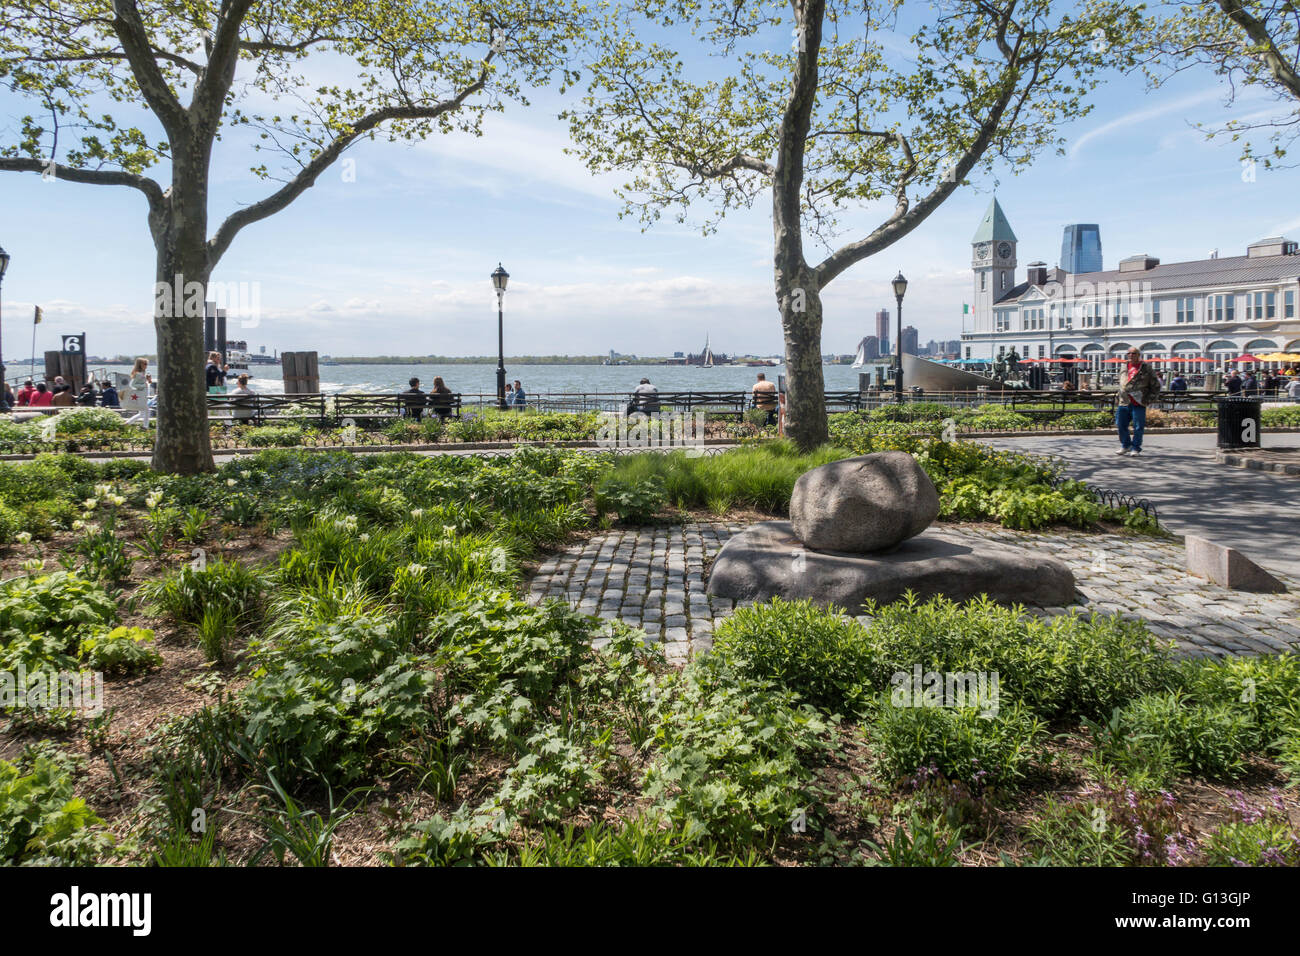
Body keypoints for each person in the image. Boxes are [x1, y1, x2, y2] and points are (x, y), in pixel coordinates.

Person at [1115, 346, 1161, 458]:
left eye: (1134, 353)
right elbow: (1121, 383)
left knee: (1138, 427)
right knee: (1120, 425)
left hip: (1139, 402)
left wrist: (1149, 399)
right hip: (1124, 401)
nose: (1131, 355)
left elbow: (1156, 385)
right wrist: (1118, 395)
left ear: (1138, 355)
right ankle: (1125, 445)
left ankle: (1136, 447)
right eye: (1129, 353)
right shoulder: (1124, 366)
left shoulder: (1146, 368)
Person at [124, 357, 151, 426]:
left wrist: (148, 380)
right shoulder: (138, 374)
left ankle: (127, 423)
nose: (146, 365)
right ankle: (145, 427)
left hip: (143, 395)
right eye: (145, 364)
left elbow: (146, 384)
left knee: (142, 413)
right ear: (140, 365)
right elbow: (133, 384)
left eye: (147, 364)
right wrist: (144, 385)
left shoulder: (142, 373)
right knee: (147, 411)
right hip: (141, 396)